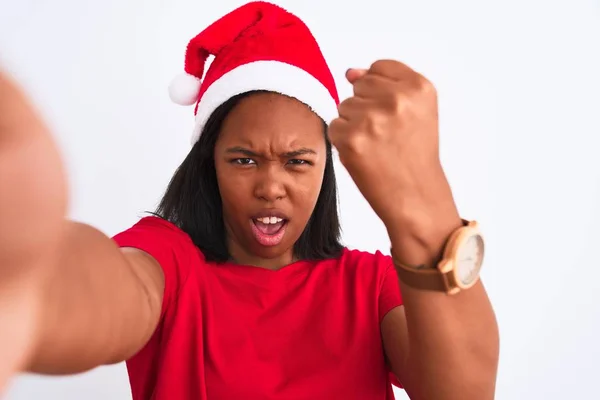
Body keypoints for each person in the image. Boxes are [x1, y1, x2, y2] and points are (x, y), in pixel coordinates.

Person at [0, 1, 499, 399]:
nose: (270, 186)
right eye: (243, 160)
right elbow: (108, 289)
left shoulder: (371, 285)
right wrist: (29, 274)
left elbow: (463, 393)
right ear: (208, 165)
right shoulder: (170, 263)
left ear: (327, 170)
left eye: (298, 161)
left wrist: (426, 201)